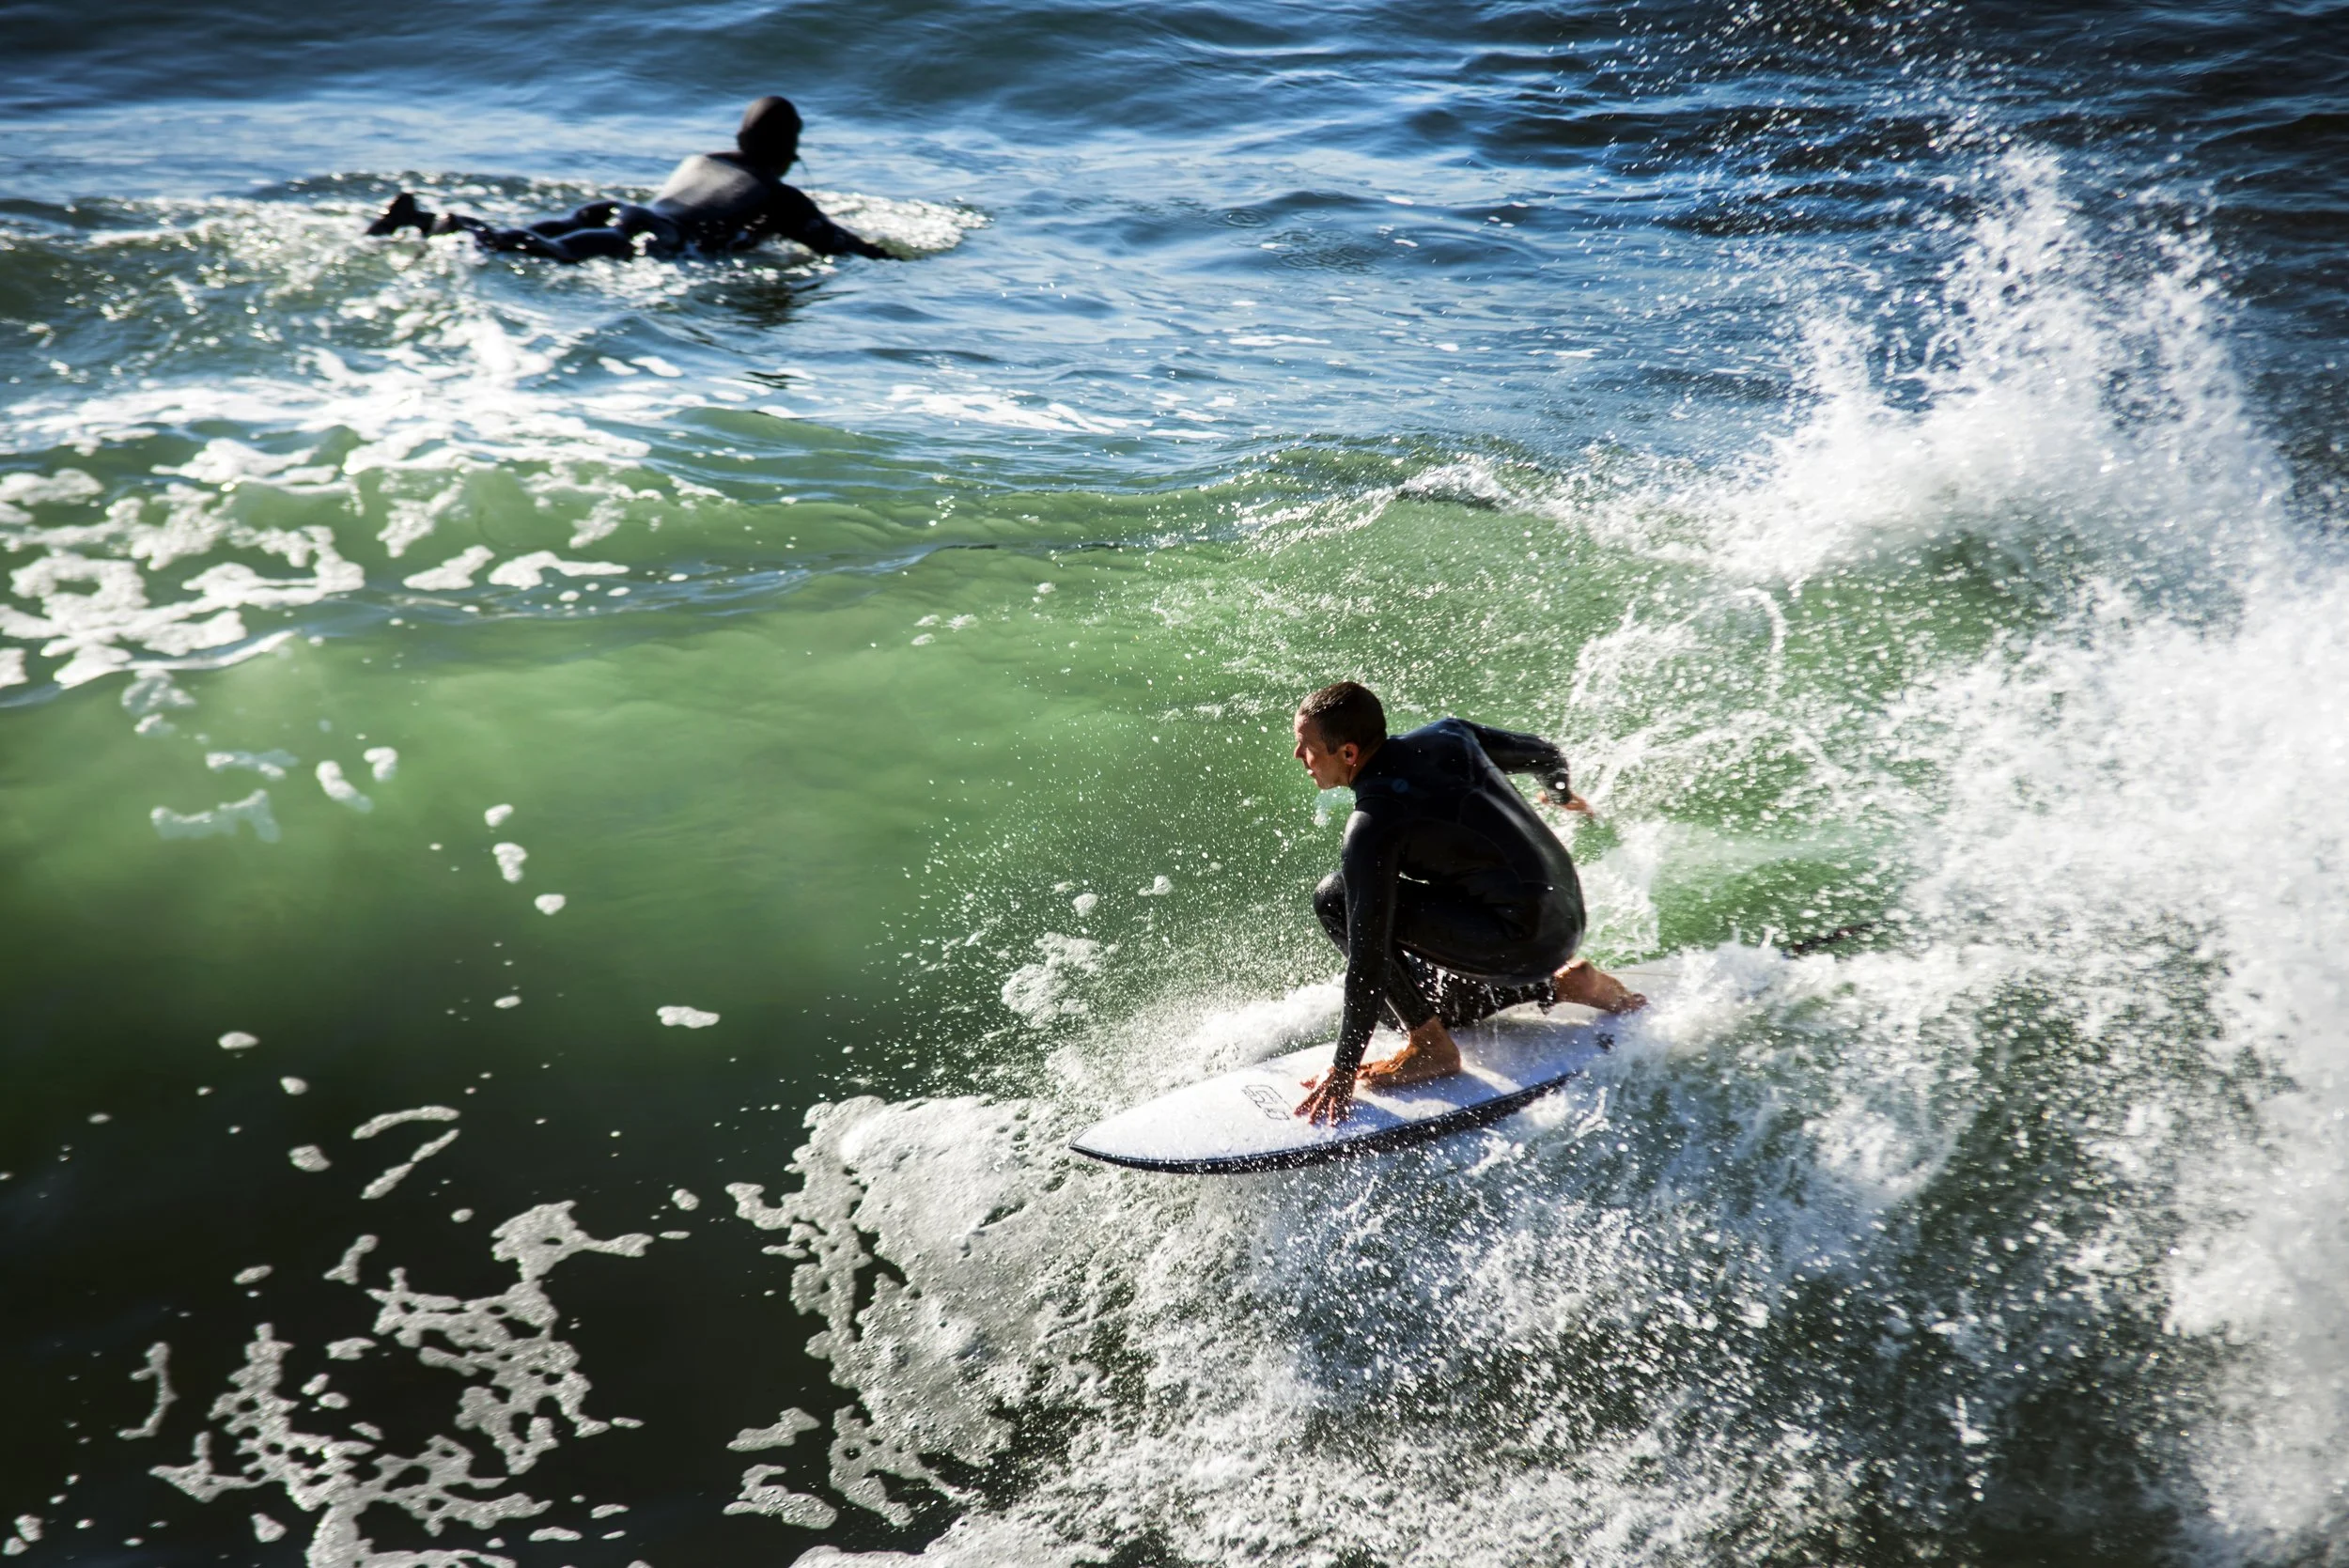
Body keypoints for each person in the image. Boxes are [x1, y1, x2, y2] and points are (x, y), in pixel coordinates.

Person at [1289, 681, 1645, 1126]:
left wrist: (1344, 1069)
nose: (1299, 757)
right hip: (1567, 911)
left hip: (1524, 941)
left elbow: (1368, 959)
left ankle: (1430, 1046)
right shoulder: (1450, 735)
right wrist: (1561, 797)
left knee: (1335, 899)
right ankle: (1559, 983)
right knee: (1420, 987)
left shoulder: (1374, 823)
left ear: (1348, 753)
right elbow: (1545, 755)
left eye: (1307, 747)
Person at [363, 96, 894, 264]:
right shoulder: (780, 196)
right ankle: (459, 225)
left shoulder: (706, 159)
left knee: (549, 231)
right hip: (650, 235)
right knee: (550, 254)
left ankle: (430, 219)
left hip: (617, 210)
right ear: (788, 149)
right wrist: (899, 256)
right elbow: (840, 247)